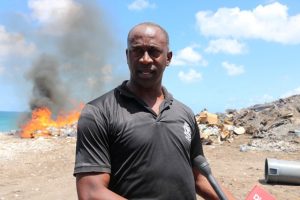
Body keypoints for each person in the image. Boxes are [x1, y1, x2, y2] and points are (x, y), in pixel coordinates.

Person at [74, 22, 235, 200]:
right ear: (127, 56)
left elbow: (199, 178)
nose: (145, 59)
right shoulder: (98, 113)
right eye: (137, 51)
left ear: (168, 58)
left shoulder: (184, 113)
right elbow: (90, 192)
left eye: (153, 51)